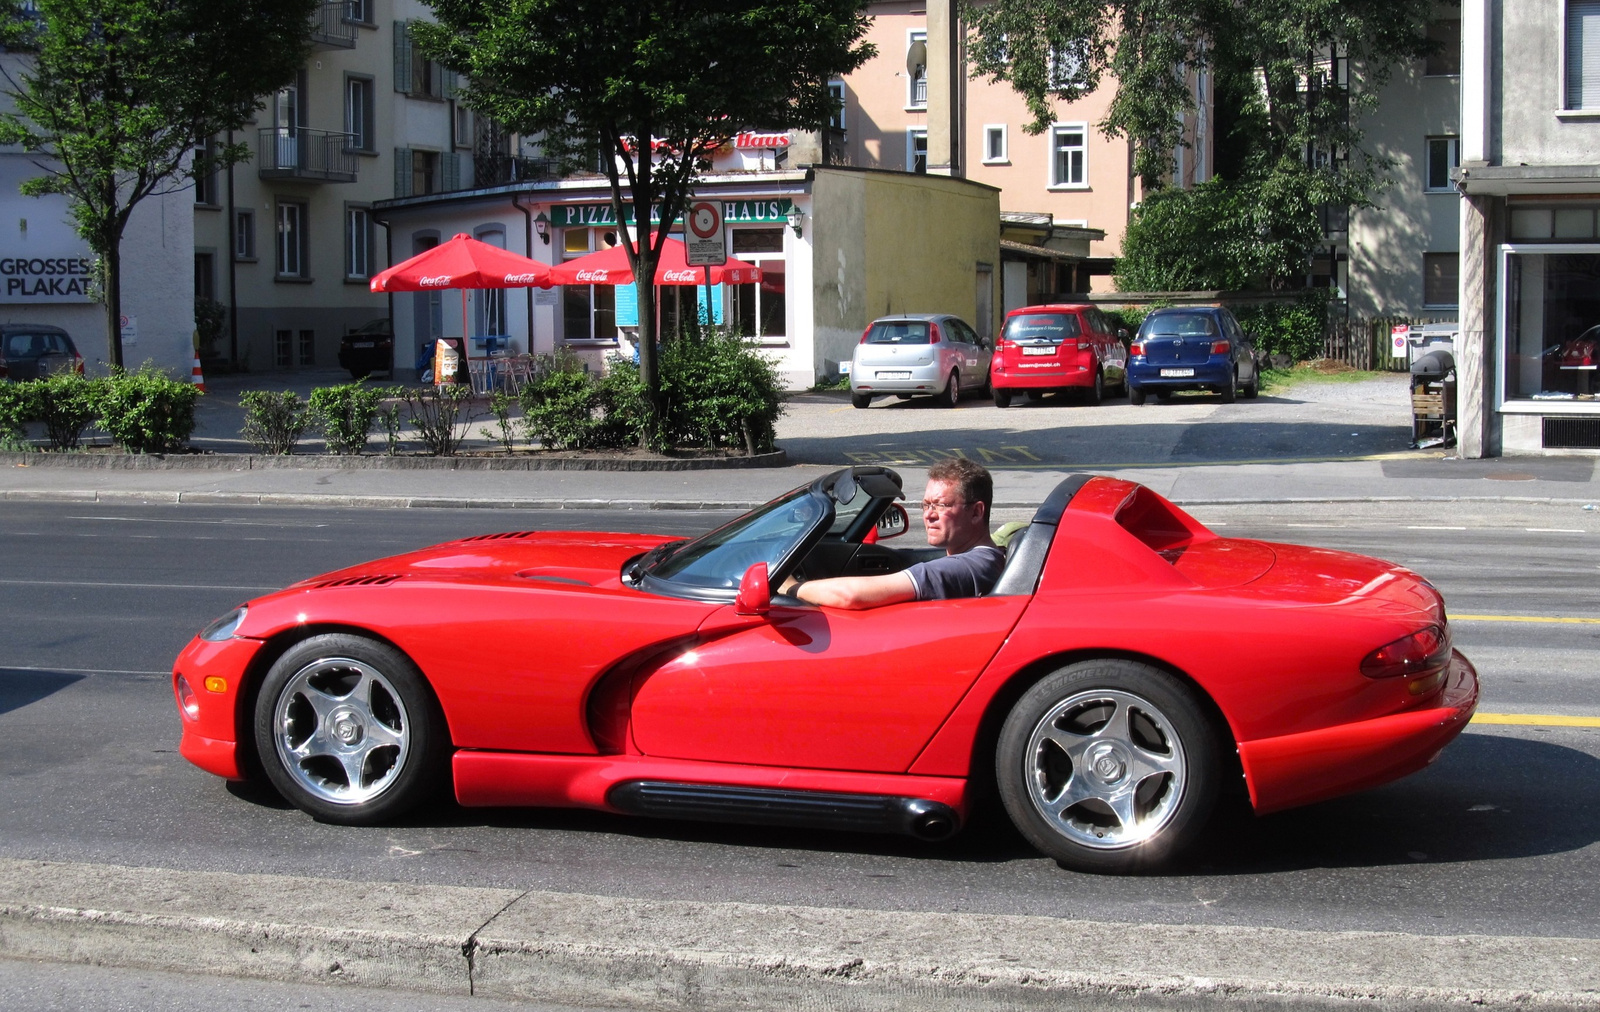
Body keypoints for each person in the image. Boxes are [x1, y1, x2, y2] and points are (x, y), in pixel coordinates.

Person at [782, 458, 1005, 609]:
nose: (929, 515)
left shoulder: (969, 566)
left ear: (976, 512)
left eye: (941, 505)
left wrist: (791, 588)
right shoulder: (984, 560)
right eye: (926, 505)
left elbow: (851, 596)